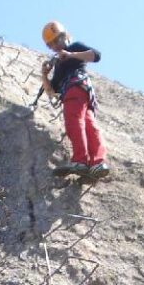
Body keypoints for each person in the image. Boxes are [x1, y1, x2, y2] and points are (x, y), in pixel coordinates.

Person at [40, 20, 109, 179]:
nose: (55, 46)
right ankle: (97, 163)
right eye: (51, 45)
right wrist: (44, 75)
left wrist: (71, 55)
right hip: (82, 92)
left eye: (57, 40)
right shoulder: (59, 64)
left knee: (74, 122)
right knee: (89, 126)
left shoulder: (74, 47)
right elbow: (52, 91)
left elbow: (96, 55)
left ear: (65, 36)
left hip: (75, 88)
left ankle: (80, 160)